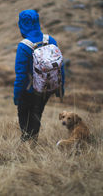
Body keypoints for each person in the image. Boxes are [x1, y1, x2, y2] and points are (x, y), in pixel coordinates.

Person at [13, 9, 65, 142]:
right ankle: (33, 141)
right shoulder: (50, 39)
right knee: (37, 113)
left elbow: (21, 75)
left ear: (22, 24)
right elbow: (60, 66)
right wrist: (60, 87)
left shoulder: (24, 46)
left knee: (24, 115)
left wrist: (17, 95)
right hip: (46, 88)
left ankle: (27, 142)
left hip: (29, 90)